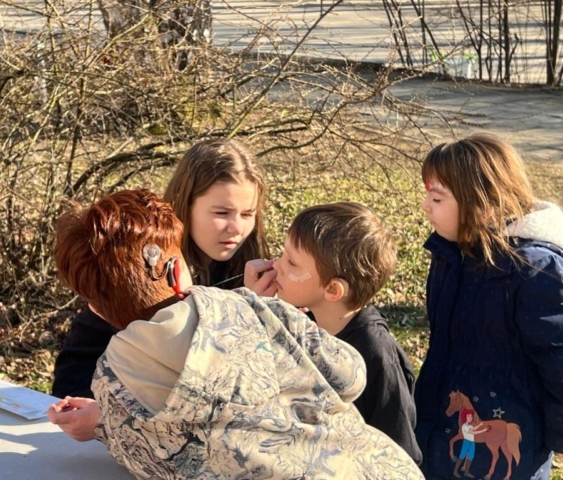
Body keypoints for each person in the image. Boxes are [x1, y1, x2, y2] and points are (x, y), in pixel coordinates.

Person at [49, 188, 424, 479]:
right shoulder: (258, 308)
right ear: (177, 271)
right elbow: (350, 376)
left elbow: (155, 457)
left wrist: (107, 423)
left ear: (95, 308)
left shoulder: (111, 384)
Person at [52, 138, 269, 399]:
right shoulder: (137, 264)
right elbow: (74, 375)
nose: (237, 228)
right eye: (222, 213)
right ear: (184, 204)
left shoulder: (259, 276)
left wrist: (264, 316)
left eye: (247, 214)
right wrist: (102, 413)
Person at [414, 134, 563, 480]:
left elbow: (558, 358)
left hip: (513, 441)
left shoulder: (534, 272)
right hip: (445, 427)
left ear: (484, 207)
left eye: (437, 198)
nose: (425, 206)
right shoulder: (451, 255)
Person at [245, 202, 422, 464]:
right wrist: (256, 307)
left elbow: (401, 453)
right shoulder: (303, 324)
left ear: (332, 290)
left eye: (291, 262)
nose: (276, 265)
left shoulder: (377, 357)